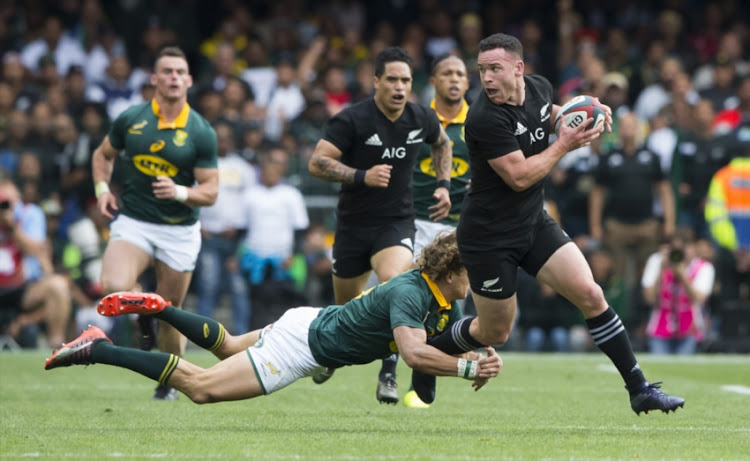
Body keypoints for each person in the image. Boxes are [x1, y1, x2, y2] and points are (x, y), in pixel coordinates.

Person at [422, 33, 684, 415]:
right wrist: (565, 143)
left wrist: (589, 111)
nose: (487, 79)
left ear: (519, 69)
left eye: (495, 69)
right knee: (494, 332)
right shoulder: (482, 117)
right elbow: (521, 177)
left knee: (591, 295)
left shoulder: (540, 87)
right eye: (482, 71)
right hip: (488, 237)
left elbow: (553, 113)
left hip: (532, 224)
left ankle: (639, 389)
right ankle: (432, 352)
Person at [44, 232, 502, 404]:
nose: (479, 279)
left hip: (309, 321)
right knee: (201, 389)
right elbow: (413, 352)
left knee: (225, 345)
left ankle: (164, 308)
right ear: (450, 270)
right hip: (302, 347)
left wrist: (478, 350)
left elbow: (444, 339)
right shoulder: (412, 291)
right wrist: (466, 367)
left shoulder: (441, 297)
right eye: (473, 271)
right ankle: (98, 347)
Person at [307, 46, 453, 405]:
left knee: (394, 286)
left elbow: (443, 142)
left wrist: (444, 185)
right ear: (376, 81)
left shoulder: (421, 117)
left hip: (396, 223)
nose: (400, 87)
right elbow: (317, 162)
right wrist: (361, 175)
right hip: (353, 228)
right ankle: (326, 356)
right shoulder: (352, 120)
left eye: (405, 80)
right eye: (392, 79)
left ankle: (388, 372)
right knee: (344, 311)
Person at [90, 46, 219, 401]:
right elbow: (102, 155)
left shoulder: (201, 131)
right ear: (154, 78)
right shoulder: (132, 119)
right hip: (135, 222)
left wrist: (179, 191)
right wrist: (102, 189)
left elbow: (210, 192)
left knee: (170, 315)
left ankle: (169, 382)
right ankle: (141, 315)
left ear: (189, 80)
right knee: (112, 286)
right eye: (167, 71)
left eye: (180, 71)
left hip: (179, 230)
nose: (174, 77)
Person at [403, 53, 471, 408]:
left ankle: (425, 369)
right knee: (413, 296)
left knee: (454, 300)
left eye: (460, 73)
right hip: (416, 221)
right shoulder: (417, 120)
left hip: (462, 224)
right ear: (434, 79)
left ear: (468, 82)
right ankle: (395, 366)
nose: (454, 79)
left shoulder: (477, 123)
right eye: (447, 73)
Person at [196, 121, 256, 334]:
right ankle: (203, 337)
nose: (222, 141)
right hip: (208, 236)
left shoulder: (242, 167)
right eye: (218, 137)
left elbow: (251, 201)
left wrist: (240, 229)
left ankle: (242, 337)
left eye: (226, 137)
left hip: (234, 239)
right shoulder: (201, 165)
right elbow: (192, 197)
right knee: (208, 285)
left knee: (238, 289)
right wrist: (199, 225)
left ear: (232, 140)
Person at [0, 180, 71, 348]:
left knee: (58, 286)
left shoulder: (26, 215)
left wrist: (12, 226)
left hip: (19, 286)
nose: (5, 207)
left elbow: (34, 249)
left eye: (8, 202)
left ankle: (57, 348)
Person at [641, 229, 715, 354]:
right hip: (660, 329)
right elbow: (650, 299)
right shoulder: (657, 261)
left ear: (694, 247)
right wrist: (661, 271)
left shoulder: (704, 267)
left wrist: (682, 275)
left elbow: (699, 299)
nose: (682, 253)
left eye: (686, 248)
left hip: (690, 329)